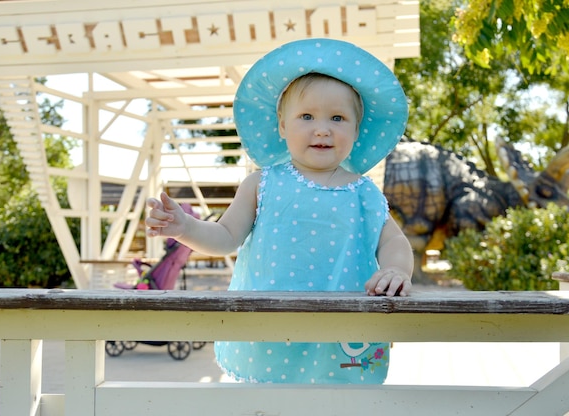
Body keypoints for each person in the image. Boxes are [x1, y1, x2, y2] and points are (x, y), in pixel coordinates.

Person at [145, 38, 413, 384]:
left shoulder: (363, 193)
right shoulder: (261, 184)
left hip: (343, 334)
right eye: (306, 116)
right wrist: (184, 227)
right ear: (282, 127)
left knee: (340, 404)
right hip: (267, 332)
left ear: (356, 130)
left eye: (338, 117)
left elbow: (394, 241)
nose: (322, 128)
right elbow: (225, 237)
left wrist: (395, 270)